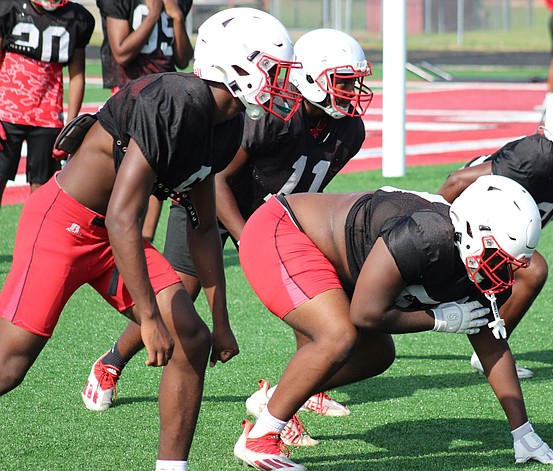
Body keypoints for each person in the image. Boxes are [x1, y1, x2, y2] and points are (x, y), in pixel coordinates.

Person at [0, 7, 303, 471]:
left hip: (111, 234)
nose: (281, 85)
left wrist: (221, 319)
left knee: (194, 337)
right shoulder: (178, 100)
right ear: (237, 66)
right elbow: (123, 214)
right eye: (274, 70)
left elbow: (204, 225)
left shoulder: (226, 122)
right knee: (12, 362)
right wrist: (147, 316)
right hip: (64, 224)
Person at [81, 28, 372, 438]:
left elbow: (309, 189)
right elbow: (215, 179)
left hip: (273, 217)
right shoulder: (269, 118)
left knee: (309, 290)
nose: (353, 91)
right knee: (181, 290)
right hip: (211, 203)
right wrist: (248, 234)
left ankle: (306, 386)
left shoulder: (348, 131)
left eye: (353, 82)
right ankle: (112, 361)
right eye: (342, 82)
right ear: (310, 78)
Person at [233, 175, 553, 471]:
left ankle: (275, 397)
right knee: (338, 336)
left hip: (339, 262)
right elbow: (365, 312)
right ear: (473, 231)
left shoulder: (474, 255)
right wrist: (438, 319)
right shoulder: (427, 237)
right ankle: (260, 438)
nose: (499, 272)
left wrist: (524, 433)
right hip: (283, 229)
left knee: (376, 356)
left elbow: (490, 341)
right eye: (496, 258)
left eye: (508, 263)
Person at [438, 82, 553, 379]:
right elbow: (458, 181)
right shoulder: (533, 158)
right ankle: (491, 351)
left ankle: (488, 351)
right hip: (471, 217)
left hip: (501, 229)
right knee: (532, 270)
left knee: (525, 272)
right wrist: (432, 222)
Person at [95, 0, 194, 241]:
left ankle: (145, 242)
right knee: (123, 167)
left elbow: (183, 60)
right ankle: (118, 238)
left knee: (156, 169)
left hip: (165, 95)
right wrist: (153, 16)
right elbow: (121, 52)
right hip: (129, 96)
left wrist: (178, 19)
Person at [0, 0, 94, 205]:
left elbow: (77, 75)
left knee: (41, 191)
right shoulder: (9, 8)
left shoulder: (76, 17)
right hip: (6, 112)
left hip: (47, 115)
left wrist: (69, 126)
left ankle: (34, 238)